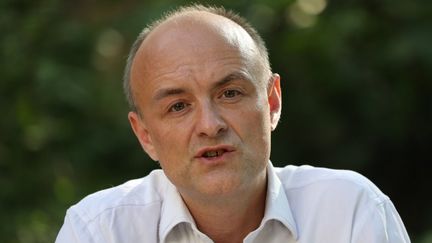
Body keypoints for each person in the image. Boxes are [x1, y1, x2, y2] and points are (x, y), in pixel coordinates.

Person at [55, 4, 410, 243]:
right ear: (145, 135)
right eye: (179, 106)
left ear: (271, 102)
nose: (210, 126)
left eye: (230, 94)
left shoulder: (350, 211)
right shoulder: (100, 230)